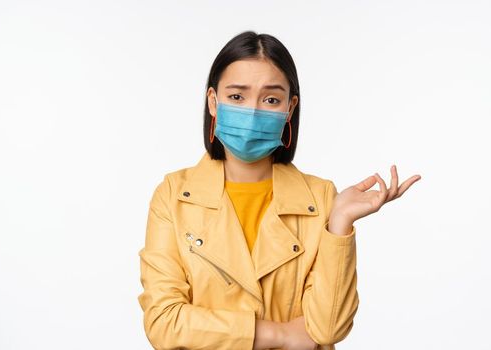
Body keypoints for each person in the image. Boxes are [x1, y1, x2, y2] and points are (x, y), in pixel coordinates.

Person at [137, 31, 420, 350]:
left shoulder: (321, 197)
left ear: (290, 108)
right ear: (214, 103)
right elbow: (162, 322)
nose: (253, 112)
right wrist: (278, 334)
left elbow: (327, 329)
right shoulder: (174, 195)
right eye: (237, 97)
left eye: (271, 99)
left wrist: (339, 224)